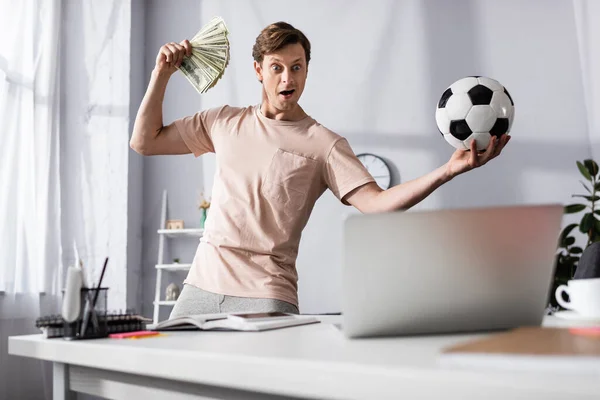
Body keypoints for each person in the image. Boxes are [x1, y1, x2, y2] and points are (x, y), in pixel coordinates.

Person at [130, 22, 510, 318]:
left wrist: (447, 171)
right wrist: (161, 74)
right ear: (258, 70)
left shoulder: (323, 144)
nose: (287, 79)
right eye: (276, 68)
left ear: (307, 70)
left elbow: (378, 204)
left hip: (267, 295)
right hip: (201, 285)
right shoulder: (222, 122)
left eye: (297, 67)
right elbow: (144, 142)